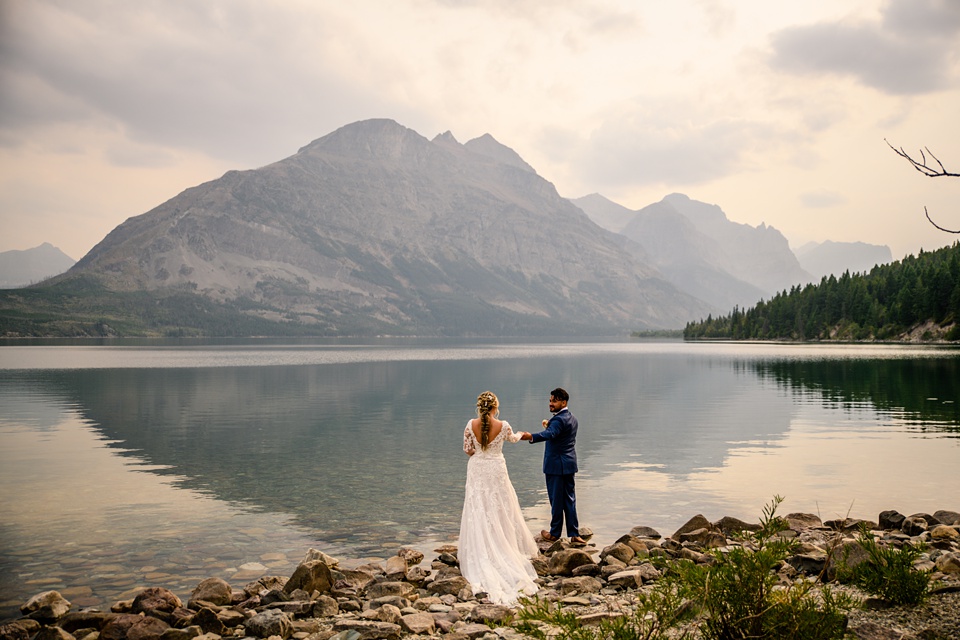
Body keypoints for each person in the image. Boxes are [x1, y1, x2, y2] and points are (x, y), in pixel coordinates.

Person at [458, 391, 539, 604]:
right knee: (501, 507)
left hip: (477, 469)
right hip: (496, 469)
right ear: (495, 407)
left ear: (479, 407)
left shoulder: (470, 424)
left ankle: (481, 547)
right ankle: (503, 546)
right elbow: (512, 439)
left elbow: (467, 450)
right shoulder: (504, 425)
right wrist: (522, 434)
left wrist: (480, 451)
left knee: (478, 507)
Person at [519, 388, 585, 545]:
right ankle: (574, 534)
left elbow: (550, 434)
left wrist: (531, 436)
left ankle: (554, 533)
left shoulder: (558, 420)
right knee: (569, 499)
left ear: (563, 402)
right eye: (550, 401)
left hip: (556, 466)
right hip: (569, 464)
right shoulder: (572, 418)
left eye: (554, 401)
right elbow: (558, 435)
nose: (550, 404)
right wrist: (549, 426)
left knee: (556, 500)